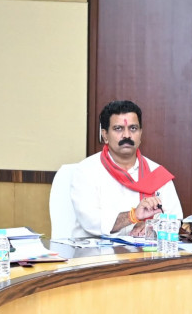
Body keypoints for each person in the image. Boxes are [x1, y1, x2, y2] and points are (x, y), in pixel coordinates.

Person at [70, 100, 183, 238]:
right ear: (105, 135)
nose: (127, 135)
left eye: (133, 128)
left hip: (142, 250)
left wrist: (151, 226)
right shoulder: (86, 171)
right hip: (95, 250)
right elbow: (90, 221)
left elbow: (175, 220)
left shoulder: (156, 173)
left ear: (140, 134)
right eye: (118, 128)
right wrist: (133, 216)